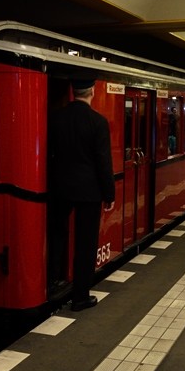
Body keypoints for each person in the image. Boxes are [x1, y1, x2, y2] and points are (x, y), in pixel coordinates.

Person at [48, 78, 116, 311]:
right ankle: (80, 297)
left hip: (59, 188)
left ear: (72, 91)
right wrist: (109, 194)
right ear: (92, 92)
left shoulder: (55, 118)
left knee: (56, 234)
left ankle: (51, 282)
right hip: (90, 191)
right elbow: (103, 162)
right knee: (85, 244)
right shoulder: (98, 122)